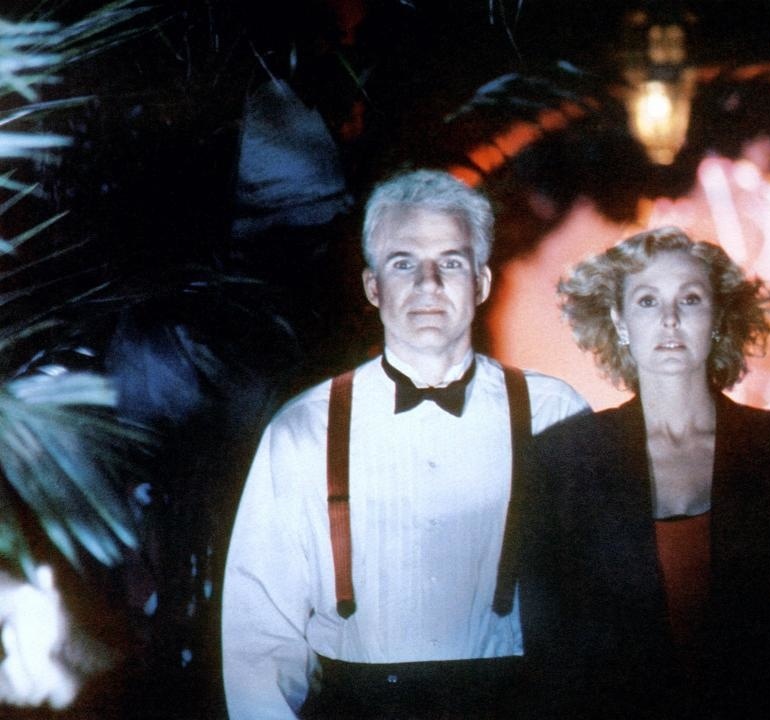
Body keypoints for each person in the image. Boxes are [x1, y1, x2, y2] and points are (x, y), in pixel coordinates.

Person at [221, 169, 588, 719]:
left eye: (451, 262)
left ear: (481, 283)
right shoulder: (303, 429)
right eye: (403, 263)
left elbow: (597, 602)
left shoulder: (554, 413)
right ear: (374, 287)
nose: (428, 284)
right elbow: (259, 635)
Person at [517, 227, 770, 719]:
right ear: (619, 320)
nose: (669, 319)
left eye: (690, 300)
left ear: (717, 318)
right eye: (647, 301)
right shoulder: (561, 462)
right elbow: (550, 650)